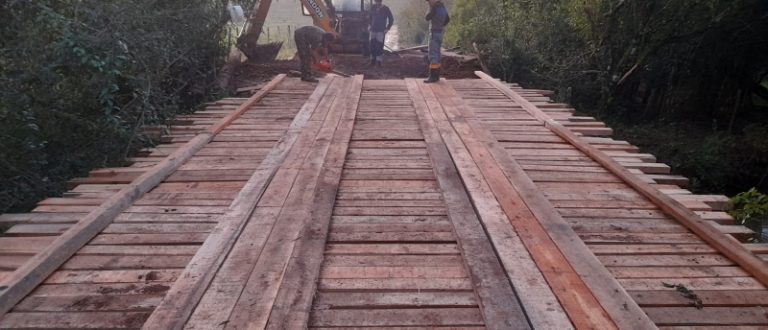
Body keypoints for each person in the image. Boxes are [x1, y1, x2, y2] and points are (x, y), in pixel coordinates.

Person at [424, 0, 449, 83]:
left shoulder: (434, 8)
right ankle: (437, 76)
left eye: (429, 1)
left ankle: (433, 77)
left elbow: (427, 17)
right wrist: (440, 24)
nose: (428, 2)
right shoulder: (443, 7)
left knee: (433, 55)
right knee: (437, 54)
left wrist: (430, 8)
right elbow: (447, 20)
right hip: (440, 32)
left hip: (434, 33)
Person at [368, 0, 394, 67]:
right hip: (373, 30)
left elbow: (391, 19)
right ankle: (372, 61)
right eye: (376, 1)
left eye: (378, 2)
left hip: (381, 30)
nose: (377, 3)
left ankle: (379, 62)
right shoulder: (372, 7)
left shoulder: (386, 9)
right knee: (372, 46)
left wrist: (387, 28)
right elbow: (370, 17)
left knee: (379, 46)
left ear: (381, 1)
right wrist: (369, 25)